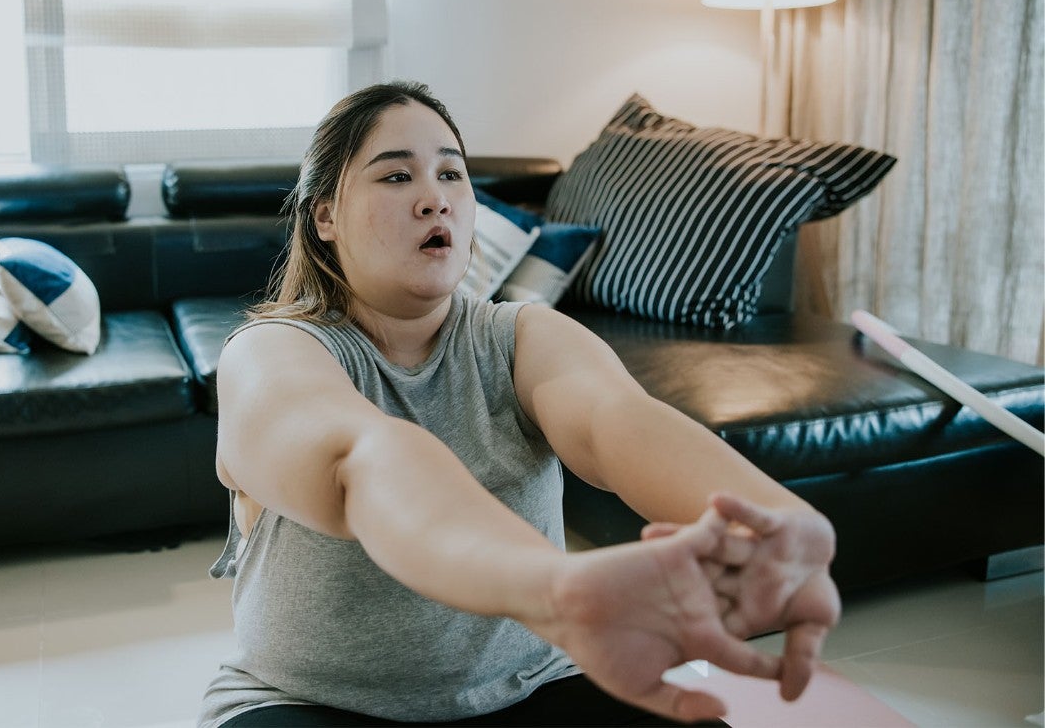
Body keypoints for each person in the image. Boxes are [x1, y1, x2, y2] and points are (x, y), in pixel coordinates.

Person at [198, 82, 840, 728]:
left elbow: (616, 420)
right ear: (325, 217)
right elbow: (365, 461)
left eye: (452, 172)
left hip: (529, 685)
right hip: (309, 702)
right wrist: (554, 590)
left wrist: (777, 524)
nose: (434, 197)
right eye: (396, 175)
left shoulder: (523, 337)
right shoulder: (271, 351)